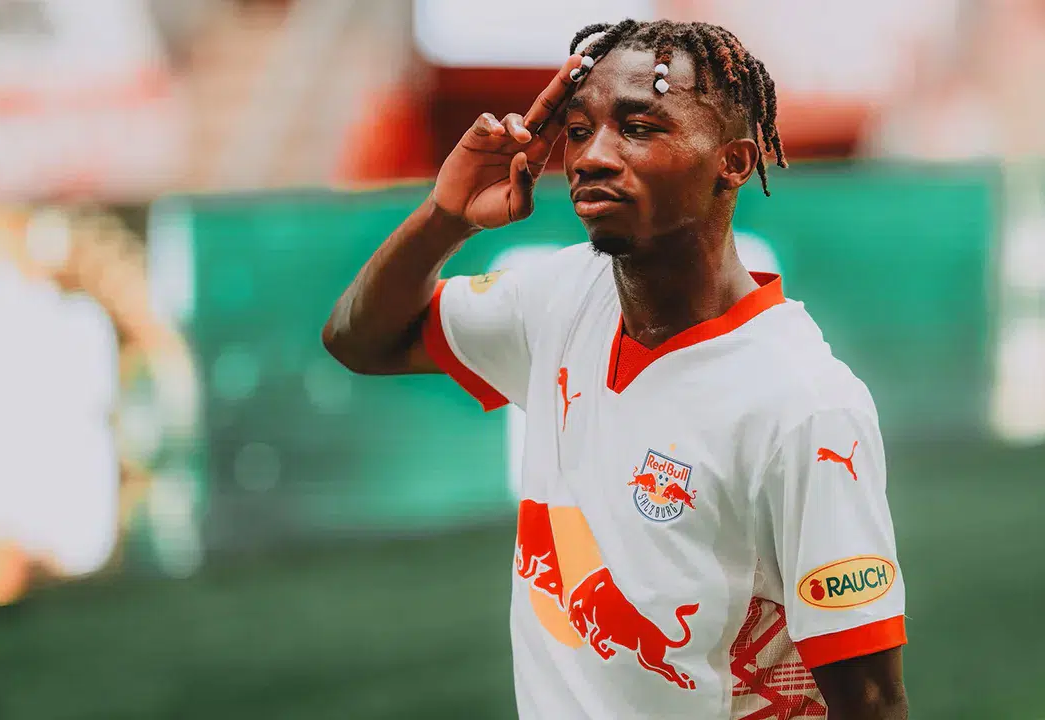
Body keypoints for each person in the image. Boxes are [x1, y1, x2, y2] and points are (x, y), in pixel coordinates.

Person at [324, 19, 908, 719]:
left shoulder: (805, 407)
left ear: (733, 162)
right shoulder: (556, 298)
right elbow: (360, 340)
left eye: (638, 127)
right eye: (578, 131)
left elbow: (871, 702)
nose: (593, 156)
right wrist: (448, 215)